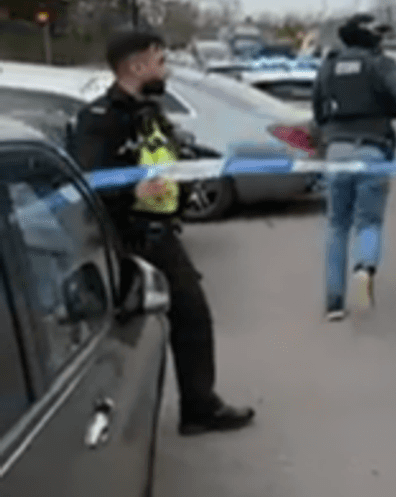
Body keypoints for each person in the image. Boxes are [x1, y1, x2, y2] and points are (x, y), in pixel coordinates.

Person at [70, 30, 256, 436]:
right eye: (160, 61)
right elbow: (88, 180)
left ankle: (196, 406)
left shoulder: (149, 111)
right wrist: (130, 189)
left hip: (160, 233)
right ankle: (189, 410)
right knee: (157, 326)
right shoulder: (101, 119)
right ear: (136, 67)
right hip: (128, 237)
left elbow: (165, 156)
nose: (165, 69)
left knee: (186, 319)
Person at [313, 14, 396, 321]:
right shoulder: (380, 64)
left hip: (337, 150)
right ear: (369, 37)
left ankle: (334, 302)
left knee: (337, 225)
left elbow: (318, 107)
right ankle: (364, 267)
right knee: (369, 222)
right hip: (373, 147)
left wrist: (329, 132)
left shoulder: (329, 64)